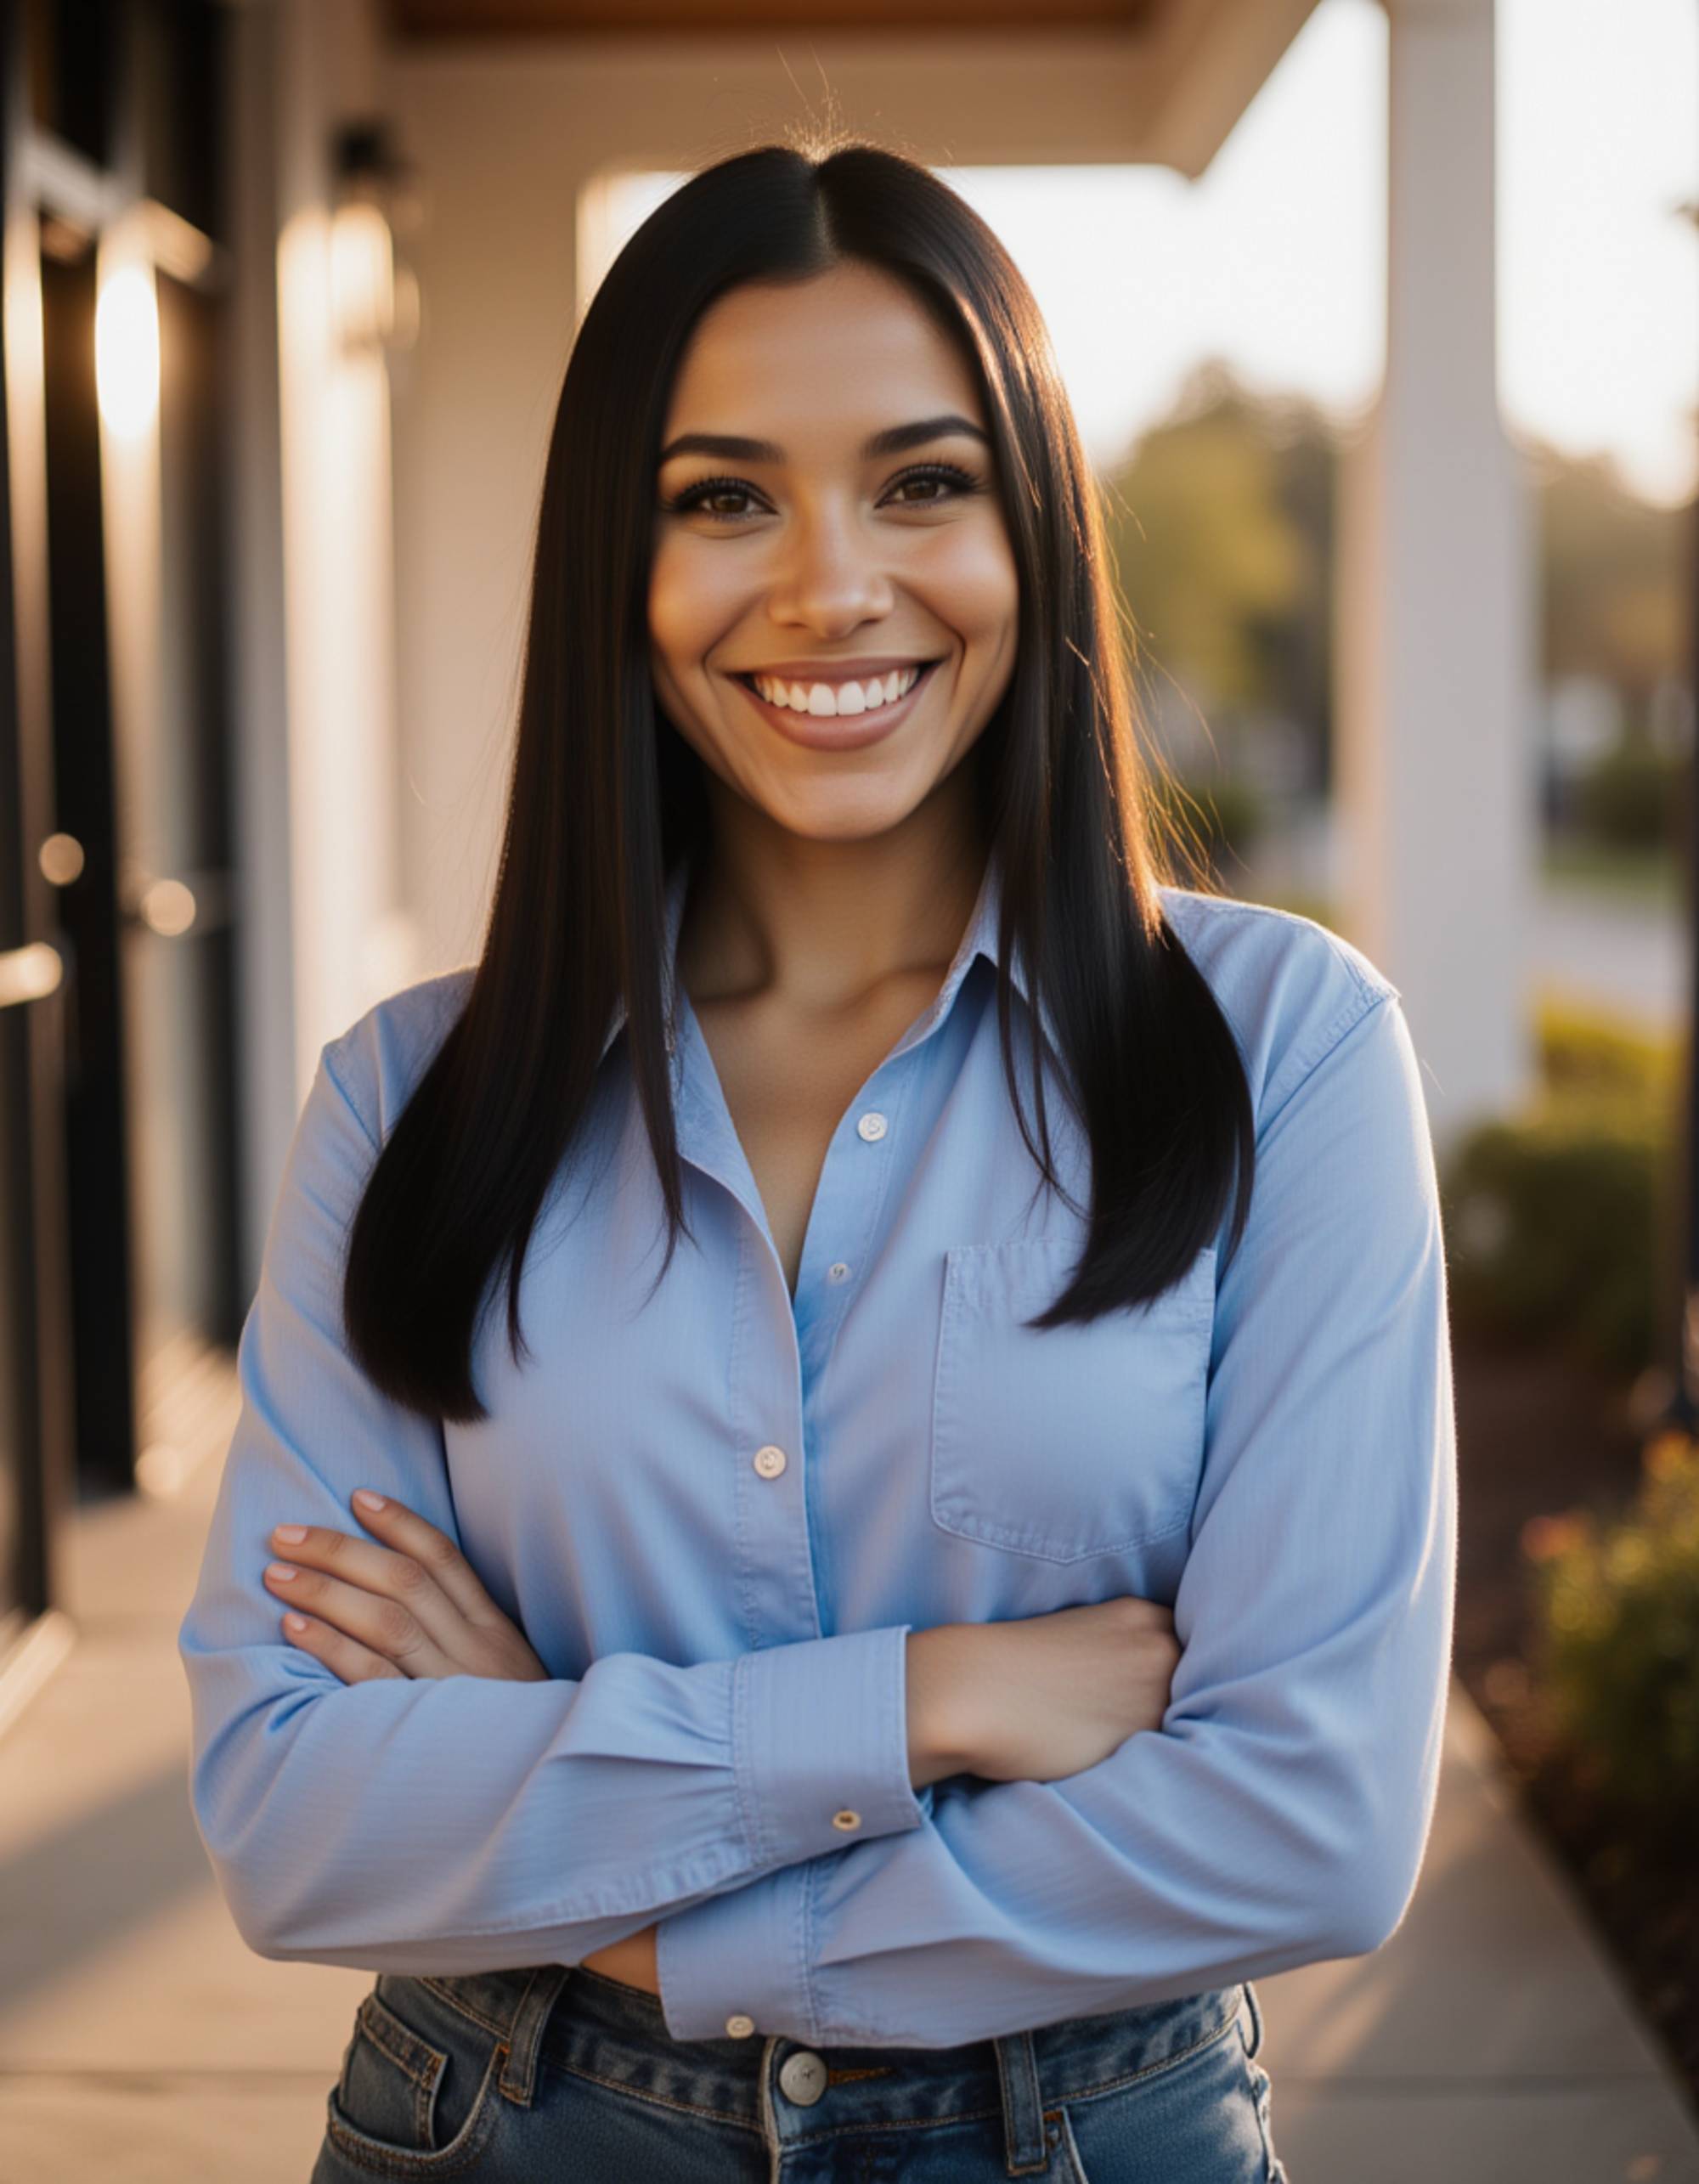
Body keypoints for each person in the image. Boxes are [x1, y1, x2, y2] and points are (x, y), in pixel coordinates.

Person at [178, 136, 1455, 2182]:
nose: (828, 583)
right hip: (498, 2129)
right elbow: (292, 1815)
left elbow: (1306, 1819)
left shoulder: (1284, 1053)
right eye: (722, 497)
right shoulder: (406, 1097)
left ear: (1033, 528)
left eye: (922, 481)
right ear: (621, 554)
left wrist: (557, 1789)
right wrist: (929, 1699)